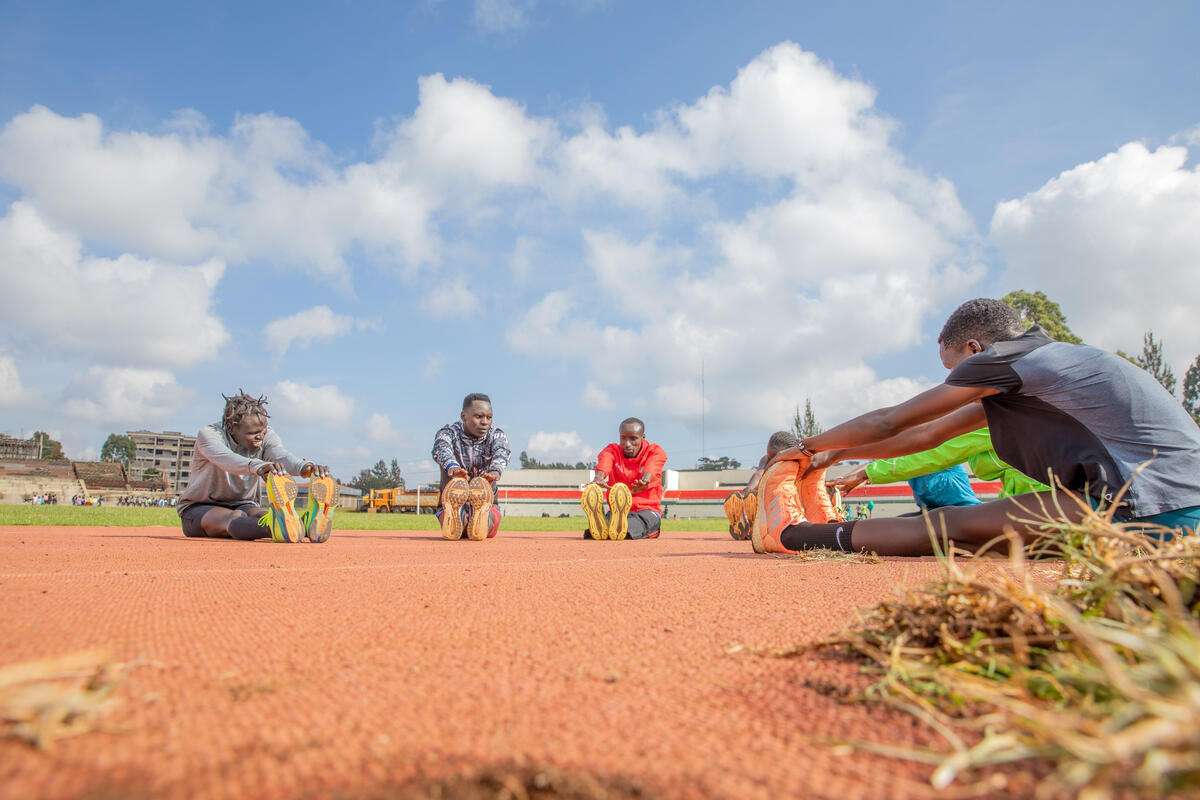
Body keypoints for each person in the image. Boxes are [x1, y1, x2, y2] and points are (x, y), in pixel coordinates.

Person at [754, 298, 1200, 557]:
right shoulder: (1047, 367)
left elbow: (895, 419)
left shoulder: (1003, 361)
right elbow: (928, 436)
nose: (956, 381)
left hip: (1153, 505)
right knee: (986, 542)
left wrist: (807, 449)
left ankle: (790, 536)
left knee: (949, 526)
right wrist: (841, 453)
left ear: (975, 348)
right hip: (1174, 500)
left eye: (953, 369)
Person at [177, 391, 335, 543]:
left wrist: (305, 467)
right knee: (233, 518)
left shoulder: (266, 434)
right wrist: (259, 466)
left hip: (245, 502)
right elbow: (228, 460)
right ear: (232, 429)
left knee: (263, 515)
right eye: (253, 433)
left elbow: (278, 454)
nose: (260, 436)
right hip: (199, 507)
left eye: (263, 431)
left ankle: (298, 525)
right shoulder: (209, 435)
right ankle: (285, 528)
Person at [827, 427, 1050, 516]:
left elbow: (919, 457)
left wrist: (865, 474)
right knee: (902, 523)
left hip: (960, 507)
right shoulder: (906, 454)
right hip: (930, 509)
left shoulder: (933, 448)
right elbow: (885, 459)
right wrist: (853, 476)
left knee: (917, 529)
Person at [432, 393, 511, 540]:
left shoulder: (496, 435)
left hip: (488, 502)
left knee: (484, 531)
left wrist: (495, 471)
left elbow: (502, 451)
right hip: (449, 503)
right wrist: (453, 467)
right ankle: (458, 512)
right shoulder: (449, 432)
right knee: (458, 532)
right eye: (479, 416)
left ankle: (481, 514)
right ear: (464, 416)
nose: (485, 422)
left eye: (489, 417)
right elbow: (441, 448)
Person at [580, 418, 667, 540]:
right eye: (623, 438)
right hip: (617, 511)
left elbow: (653, 467)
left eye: (633, 439)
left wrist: (645, 481)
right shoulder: (612, 450)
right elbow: (605, 460)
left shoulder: (654, 451)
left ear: (643, 438)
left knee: (633, 525)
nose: (627, 444)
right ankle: (605, 525)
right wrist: (598, 478)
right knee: (599, 532)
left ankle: (614, 526)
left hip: (647, 510)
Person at [724, 431, 800, 540]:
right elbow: (759, 473)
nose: (772, 460)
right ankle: (753, 525)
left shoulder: (768, 459)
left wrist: (748, 489)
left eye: (775, 457)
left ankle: (749, 524)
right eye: (770, 457)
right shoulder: (798, 458)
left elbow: (759, 473)